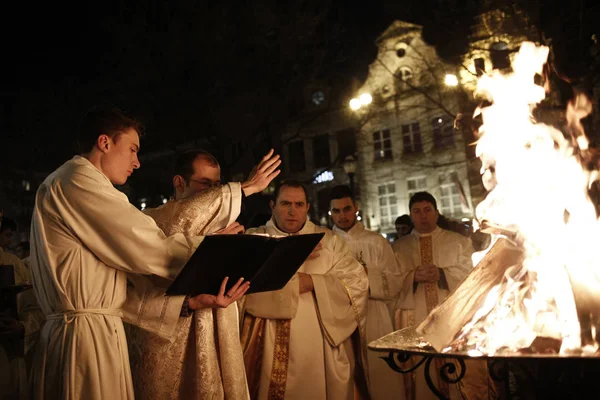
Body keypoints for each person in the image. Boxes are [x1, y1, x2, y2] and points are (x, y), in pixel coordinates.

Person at [28, 105, 250, 399]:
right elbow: (147, 246)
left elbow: (124, 279)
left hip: (95, 330)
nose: (137, 162)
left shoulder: (78, 183)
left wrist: (191, 302)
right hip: (84, 339)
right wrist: (209, 246)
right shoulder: (77, 180)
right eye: (132, 149)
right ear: (105, 143)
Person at [126, 147, 281, 399]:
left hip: (217, 319)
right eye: (205, 184)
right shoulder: (153, 219)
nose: (213, 194)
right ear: (179, 182)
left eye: (218, 185)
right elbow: (181, 220)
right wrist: (244, 188)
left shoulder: (222, 221)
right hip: (171, 333)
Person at [240, 180, 369, 399]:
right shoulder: (254, 240)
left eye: (299, 204)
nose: (292, 211)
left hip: (318, 344)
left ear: (307, 207)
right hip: (264, 339)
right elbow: (239, 284)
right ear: (272, 206)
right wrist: (288, 260)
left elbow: (357, 283)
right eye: (285, 204)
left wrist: (312, 282)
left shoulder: (330, 241)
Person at [393, 191, 491, 400]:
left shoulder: (458, 242)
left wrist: (443, 274)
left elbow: (472, 274)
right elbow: (391, 280)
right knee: (422, 377)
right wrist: (412, 276)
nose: (423, 216)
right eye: (417, 211)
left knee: (456, 373)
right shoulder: (399, 248)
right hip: (415, 319)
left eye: (427, 210)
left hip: (452, 319)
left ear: (437, 213)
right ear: (411, 216)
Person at [328, 185, 403, 400]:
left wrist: (366, 273)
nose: (342, 216)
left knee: (380, 375)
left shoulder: (376, 242)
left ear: (356, 208)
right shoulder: (326, 244)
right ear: (330, 212)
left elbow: (396, 281)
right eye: (336, 211)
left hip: (373, 314)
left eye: (346, 209)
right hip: (338, 317)